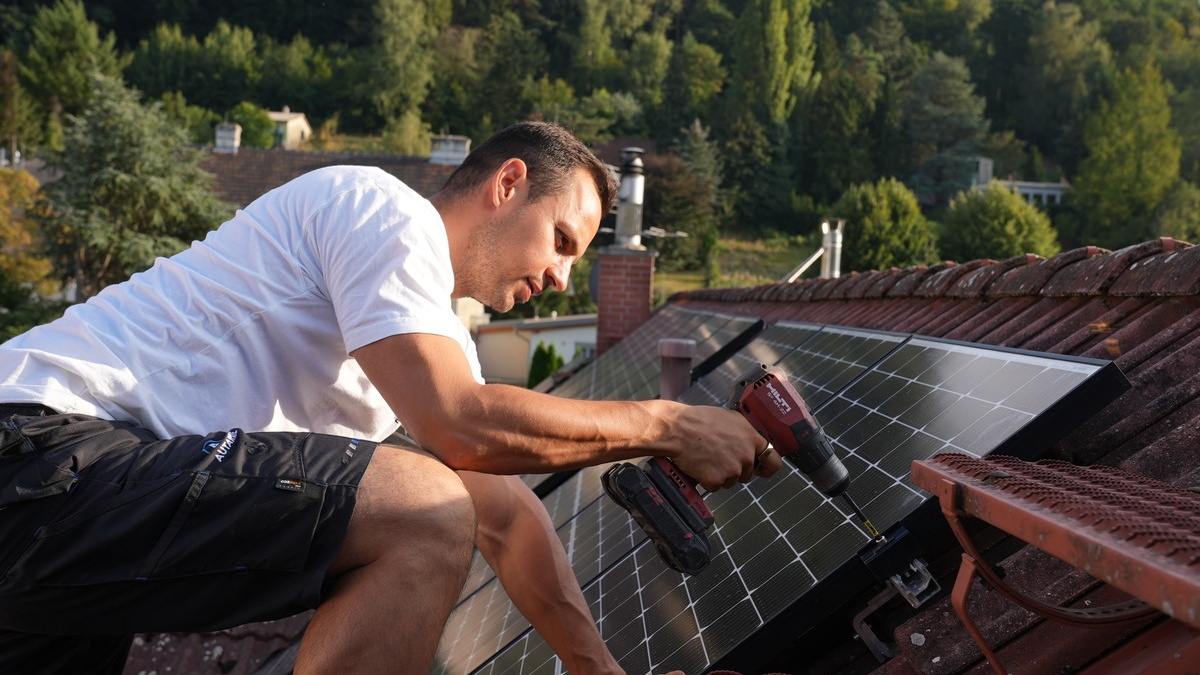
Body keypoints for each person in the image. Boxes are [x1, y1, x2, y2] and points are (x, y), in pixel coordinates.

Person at [0, 121, 779, 675]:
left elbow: (506, 514)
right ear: (508, 183)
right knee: (426, 509)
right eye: (562, 240)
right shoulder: (382, 211)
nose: (562, 276)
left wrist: (597, 666)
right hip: (44, 451)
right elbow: (463, 426)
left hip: (74, 522)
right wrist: (668, 424)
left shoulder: (419, 340)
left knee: (437, 497)